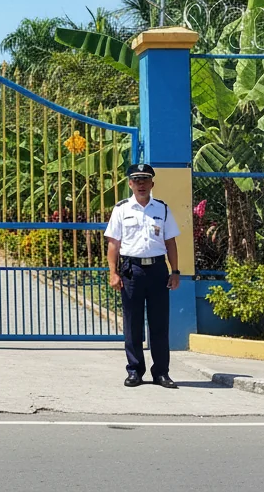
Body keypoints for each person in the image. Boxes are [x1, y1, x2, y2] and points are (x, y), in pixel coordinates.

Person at [106, 163, 182, 388]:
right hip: (132, 271)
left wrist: (175, 271)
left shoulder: (162, 209)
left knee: (160, 323)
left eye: (145, 180)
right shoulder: (121, 209)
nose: (141, 184)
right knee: (132, 323)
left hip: (158, 270)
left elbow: (170, 242)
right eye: (136, 180)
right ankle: (135, 371)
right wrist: (113, 272)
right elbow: (113, 243)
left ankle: (161, 372)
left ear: (152, 184)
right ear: (130, 184)